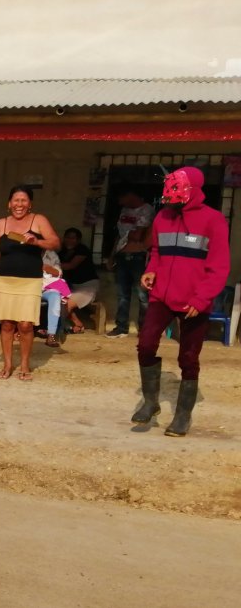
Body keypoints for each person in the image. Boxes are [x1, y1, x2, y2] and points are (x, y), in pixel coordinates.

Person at [132, 167, 230, 437]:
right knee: (145, 344)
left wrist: (202, 297)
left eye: (176, 187)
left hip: (194, 300)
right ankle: (151, 402)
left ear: (192, 189)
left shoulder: (214, 220)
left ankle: (183, 415)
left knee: (188, 356)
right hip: (162, 295)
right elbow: (156, 251)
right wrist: (151, 270)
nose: (170, 193)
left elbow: (219, 266)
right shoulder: (162, 216)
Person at [0, 186, 60, 380]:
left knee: (25, 325)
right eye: (16, 200)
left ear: (30, 204)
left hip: (30, 281)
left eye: (23, 200)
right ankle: (8, 364)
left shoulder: (38, 220)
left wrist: (36, 242)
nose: (19, 204)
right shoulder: (0, 224)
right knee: (7, 324)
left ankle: (25, 364)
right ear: (9, 204)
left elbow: (55, 242)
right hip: (5, 280)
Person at [107, 186, 154, 337]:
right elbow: (121, 235)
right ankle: (121, 327)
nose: (120, 203)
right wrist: (112, 256)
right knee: (122, 295)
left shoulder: (147, 210)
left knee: (143, 295)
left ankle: (144, 329)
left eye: (121, 199)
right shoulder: (124, 211)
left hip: (138, 256)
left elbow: (139, 235)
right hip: (121, 255)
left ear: (130, 195)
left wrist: (132, 235)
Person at [58, 227, 99, 334]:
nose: (70, 240)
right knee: (57, 301)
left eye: (73, 238)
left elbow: (70, 266)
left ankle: (52, 330)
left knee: (65, 305)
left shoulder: (82, 250)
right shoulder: (62, 252)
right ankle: (78, 323)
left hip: (86, 287)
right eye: (68, 237)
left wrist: (50, 266)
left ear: (78, 240)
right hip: (70, 286)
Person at [38, 249, 71, 348]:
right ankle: (19, 331)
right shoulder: (27, 252)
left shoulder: (51, 254)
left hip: (47, 287)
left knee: (55, 296)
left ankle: (51, 334)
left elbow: (58, 273)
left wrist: (45, 267)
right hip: (29, 287)